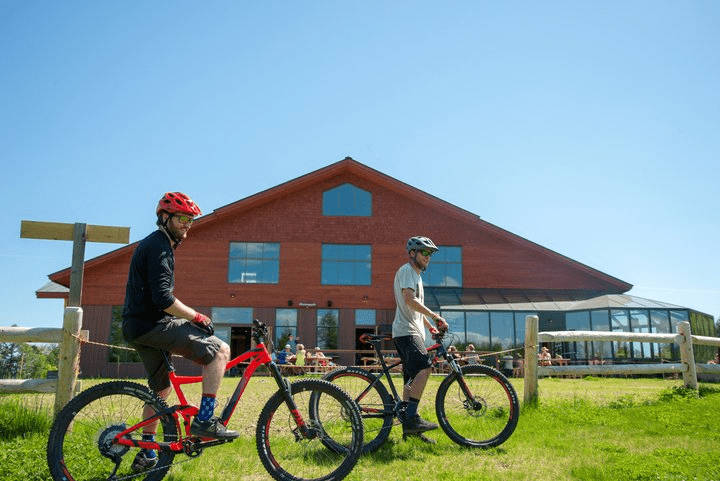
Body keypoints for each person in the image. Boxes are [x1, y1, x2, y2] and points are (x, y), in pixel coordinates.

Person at [122, 192, 239, 472]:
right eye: (182, 219)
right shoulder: (160, 246)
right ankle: (206, 420)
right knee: (220, 351)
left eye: (190, 220)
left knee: (160, 389)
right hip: (153, 325)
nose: (187, 224)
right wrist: (197, 316)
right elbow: (163, 298)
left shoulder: (156, 244)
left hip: (136, 326)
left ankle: (147, 453)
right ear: (165, 218)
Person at [392, 236, 448, 443]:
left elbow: (414, 308)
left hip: (411, 330)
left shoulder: (416, 276)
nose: (428, 257)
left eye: (430, 254)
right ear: (413, 253)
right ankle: (412, 418)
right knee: (425, 368)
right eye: (424, 252)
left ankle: (410, 430)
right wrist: (436, 315)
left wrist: (430, 326)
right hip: (406, 331)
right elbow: (409, 299)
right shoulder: (407, 271)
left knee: (410, 380)